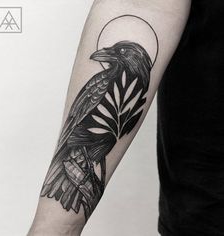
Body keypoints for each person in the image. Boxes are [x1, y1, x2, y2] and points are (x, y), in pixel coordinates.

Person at [27, 0, 224, 235]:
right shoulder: (106, 83)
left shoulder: (131, 91)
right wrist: (55, 228)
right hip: (208, 204)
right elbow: (140, 5)